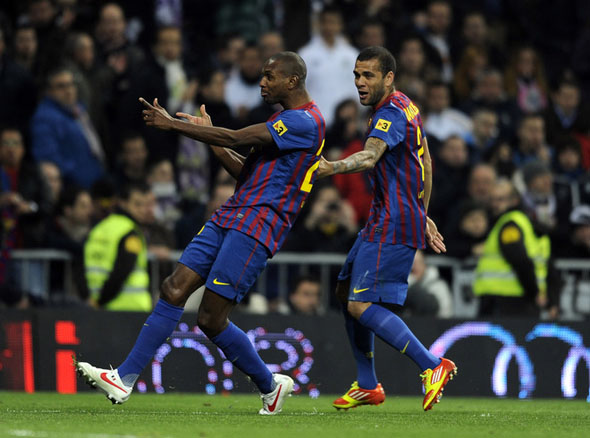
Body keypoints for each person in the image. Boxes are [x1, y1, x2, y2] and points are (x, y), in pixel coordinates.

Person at [75, 52, 325, 416]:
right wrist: (212, 140)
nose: (262, 82)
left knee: (210, 318)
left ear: (293, 80)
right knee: (173, 288)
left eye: (270, 76)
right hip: (232, 212)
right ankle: (123, 378)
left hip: (258, 224)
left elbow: (236, 137)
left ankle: (270, 386)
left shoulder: (306, 121)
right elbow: (245, 174)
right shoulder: (282, 120)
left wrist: (173, 125)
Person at [317, 46, 455, 413]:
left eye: (369, 75)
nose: (360, 82)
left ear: (389, 77)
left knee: (361, 303)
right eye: (356, 75)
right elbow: (425, 161)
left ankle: (432, 365)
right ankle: (367, 384)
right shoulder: (406, 105)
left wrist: (331, 167)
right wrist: (422, 212)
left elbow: (369, 157)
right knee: (346, 291)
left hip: (392, 222)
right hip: (389, 217)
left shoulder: (389, 115)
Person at [473, 179, 553, 317]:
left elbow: (520, 260)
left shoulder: (510, 224)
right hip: (515, 300)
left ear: (514, 200)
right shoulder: (521, 221)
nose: (495, 204)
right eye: (492, 199)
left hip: (505, 302)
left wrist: (534, 292)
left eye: (500, 199)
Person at [84, 182, 152, 312]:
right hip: (130, 307)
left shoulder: (99, 228)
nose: (143, 210)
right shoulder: (130, 233)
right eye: (137, 204)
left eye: (145, 205)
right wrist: (101, 300)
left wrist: (94, 300)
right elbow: (122, 271)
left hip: (99, 306)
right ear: (123, 203)